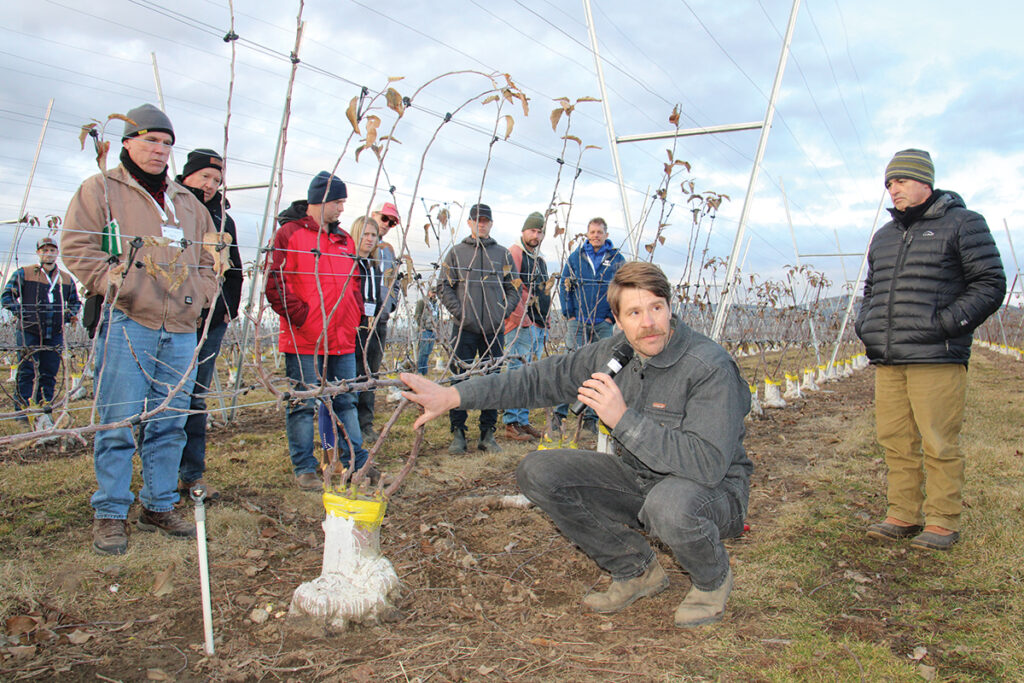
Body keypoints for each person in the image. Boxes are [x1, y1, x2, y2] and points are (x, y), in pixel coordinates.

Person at [402, 262, 752, 628]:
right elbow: (539, 380)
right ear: (616, 319)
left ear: (669, 307)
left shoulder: (709, 366)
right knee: (539, 470)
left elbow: (707, 464)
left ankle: (712, 580)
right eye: (634, 312)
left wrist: (623, 419)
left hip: (712, 492)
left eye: (656, 307)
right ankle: (636, 570)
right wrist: (454, 395)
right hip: (642, 479)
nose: (648, 322)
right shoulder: (616, 353)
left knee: (670, 506)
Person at [61, 103, 220, 555]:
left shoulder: (188, 202)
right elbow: (77, 246)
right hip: (130, 319)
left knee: (170, 422)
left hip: (183, 326)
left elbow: (213, 255)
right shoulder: (101, 190)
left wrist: (202, 292)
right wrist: (121, 285)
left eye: (167, 143)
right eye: (151, 140)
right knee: (119, 422)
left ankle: (159, 502)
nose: (159, 150)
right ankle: (111, 511)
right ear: (127, 142)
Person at [856, 149, 1006, 551]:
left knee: (938, 440)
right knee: (894, 439)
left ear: (925, 181)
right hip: (889, 358)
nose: (894, 189)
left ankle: (942, 520)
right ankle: (903, 514)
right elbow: (871, 290)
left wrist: (945, 324)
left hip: (936, 355)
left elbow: (990, 283)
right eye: (889, 183)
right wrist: (865, 324)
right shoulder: (885, 236)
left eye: (901, 181)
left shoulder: (963, 223)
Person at [264, 171, 370, 490]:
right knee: (303, 404)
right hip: (304, 339)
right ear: (319, 200)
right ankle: (305, 468)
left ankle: (356, 462)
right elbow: (275, 284)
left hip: (343, 338)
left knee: (345, 401)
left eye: (343, 202)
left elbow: (354, 282)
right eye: (337, 201)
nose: (342, 208)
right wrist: (304, 316)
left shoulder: (344, 240)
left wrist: (353, 316)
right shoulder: (289, 234)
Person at [174, 148, 243, 501]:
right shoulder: (170, 209)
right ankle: (161, 477)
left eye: (217, 180)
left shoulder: (223, 221)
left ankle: (191, 474)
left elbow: (235, 270)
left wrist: (227, 309)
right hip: (171, 317)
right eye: (205, 177)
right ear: (187, 176)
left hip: (210, 321)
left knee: (195, 400)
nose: (211, 185)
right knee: (165, 400)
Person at [435, 202, 518, 454]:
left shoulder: (503, 254)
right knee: (459, 378)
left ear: (491, 224)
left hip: (493, 330)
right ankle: (458, 433)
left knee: (494, 380)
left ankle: (487, 433)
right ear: (469, 223)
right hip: (464, 329)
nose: (481, 224)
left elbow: (514, 287)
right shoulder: (456, 253)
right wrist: (462, 313)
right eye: (477, 220)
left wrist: (502, 312)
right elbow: (443, 286)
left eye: (486, 220)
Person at [555, 217, 625, 432]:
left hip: (603, 323)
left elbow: (622, 288)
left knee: (602, 370)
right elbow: (565, 285)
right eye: (592, 232)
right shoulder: (576, 257)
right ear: (587, 234)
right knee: (570, 364)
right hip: (579, 322)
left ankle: (592, 418)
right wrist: (569, 314)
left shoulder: (616, 259)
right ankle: (560, 413)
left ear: (606, 235)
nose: (595, 235)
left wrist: (611, 318)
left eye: (599, 232)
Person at [2, 237, 81, 425]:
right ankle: (22, 413)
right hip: (29, 330)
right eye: (44, 250)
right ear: (38, 253)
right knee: (26, 371)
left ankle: (44, 410)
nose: (48, 253)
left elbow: (75, 302)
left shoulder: (66, 278)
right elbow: (7, 297)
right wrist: (22, 312)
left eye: (52, 250)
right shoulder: (25, 273)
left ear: (57, 253)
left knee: (49, 373)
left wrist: (68, 314)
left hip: (54, 332)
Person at [354, 202, 403, 441]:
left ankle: (366, 424)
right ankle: (350, 424)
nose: (387, 225)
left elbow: (394, 281)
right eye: (385, 219)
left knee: (371, 374)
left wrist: (391, 305)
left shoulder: (388, 251)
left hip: (379, 321)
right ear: (373, 215)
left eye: (392, 222)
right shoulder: (355, 243)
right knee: (352, 373)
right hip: (356, 321)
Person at [501, 211, 550, 441]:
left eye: (540, 232)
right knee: (516, 372)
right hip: (520, 324)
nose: (536, 235)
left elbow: (544, 291)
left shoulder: (539, 260)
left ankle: (523, 420)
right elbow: (510, 288)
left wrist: (545, 320)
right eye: (532, 230)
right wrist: (522, 318)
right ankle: (511, 423)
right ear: (523, 231)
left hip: (538, 324)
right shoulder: (515, 253)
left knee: (529, 375)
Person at [414, 289, 439, 375]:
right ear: (428, 292)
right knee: (423, 352)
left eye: (435, 292)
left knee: (428, 352)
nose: (434, 294)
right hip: (425, 330)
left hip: (432, 331)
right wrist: (421, 327)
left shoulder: (436, 304)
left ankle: (424, 372)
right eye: (433, 292)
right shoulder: (422, 302)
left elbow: (437, 316)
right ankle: (420, 371)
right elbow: (417, 315)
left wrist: (436, 328)